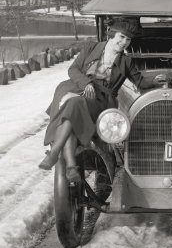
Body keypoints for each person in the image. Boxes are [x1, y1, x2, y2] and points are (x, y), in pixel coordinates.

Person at [38, 17, 162, 182]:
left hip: (100, 101)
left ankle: (54, 153)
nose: (124, 42)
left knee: (72, 105)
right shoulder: (90, 47)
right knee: (73, 110)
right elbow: (73, 69)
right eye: (121, 37)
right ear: (111, 35)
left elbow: (141, 82)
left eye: (128, 39)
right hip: (77, 89)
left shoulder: (126, 61)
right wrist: (86, 82)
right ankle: (71, 168)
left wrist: (156, 81)